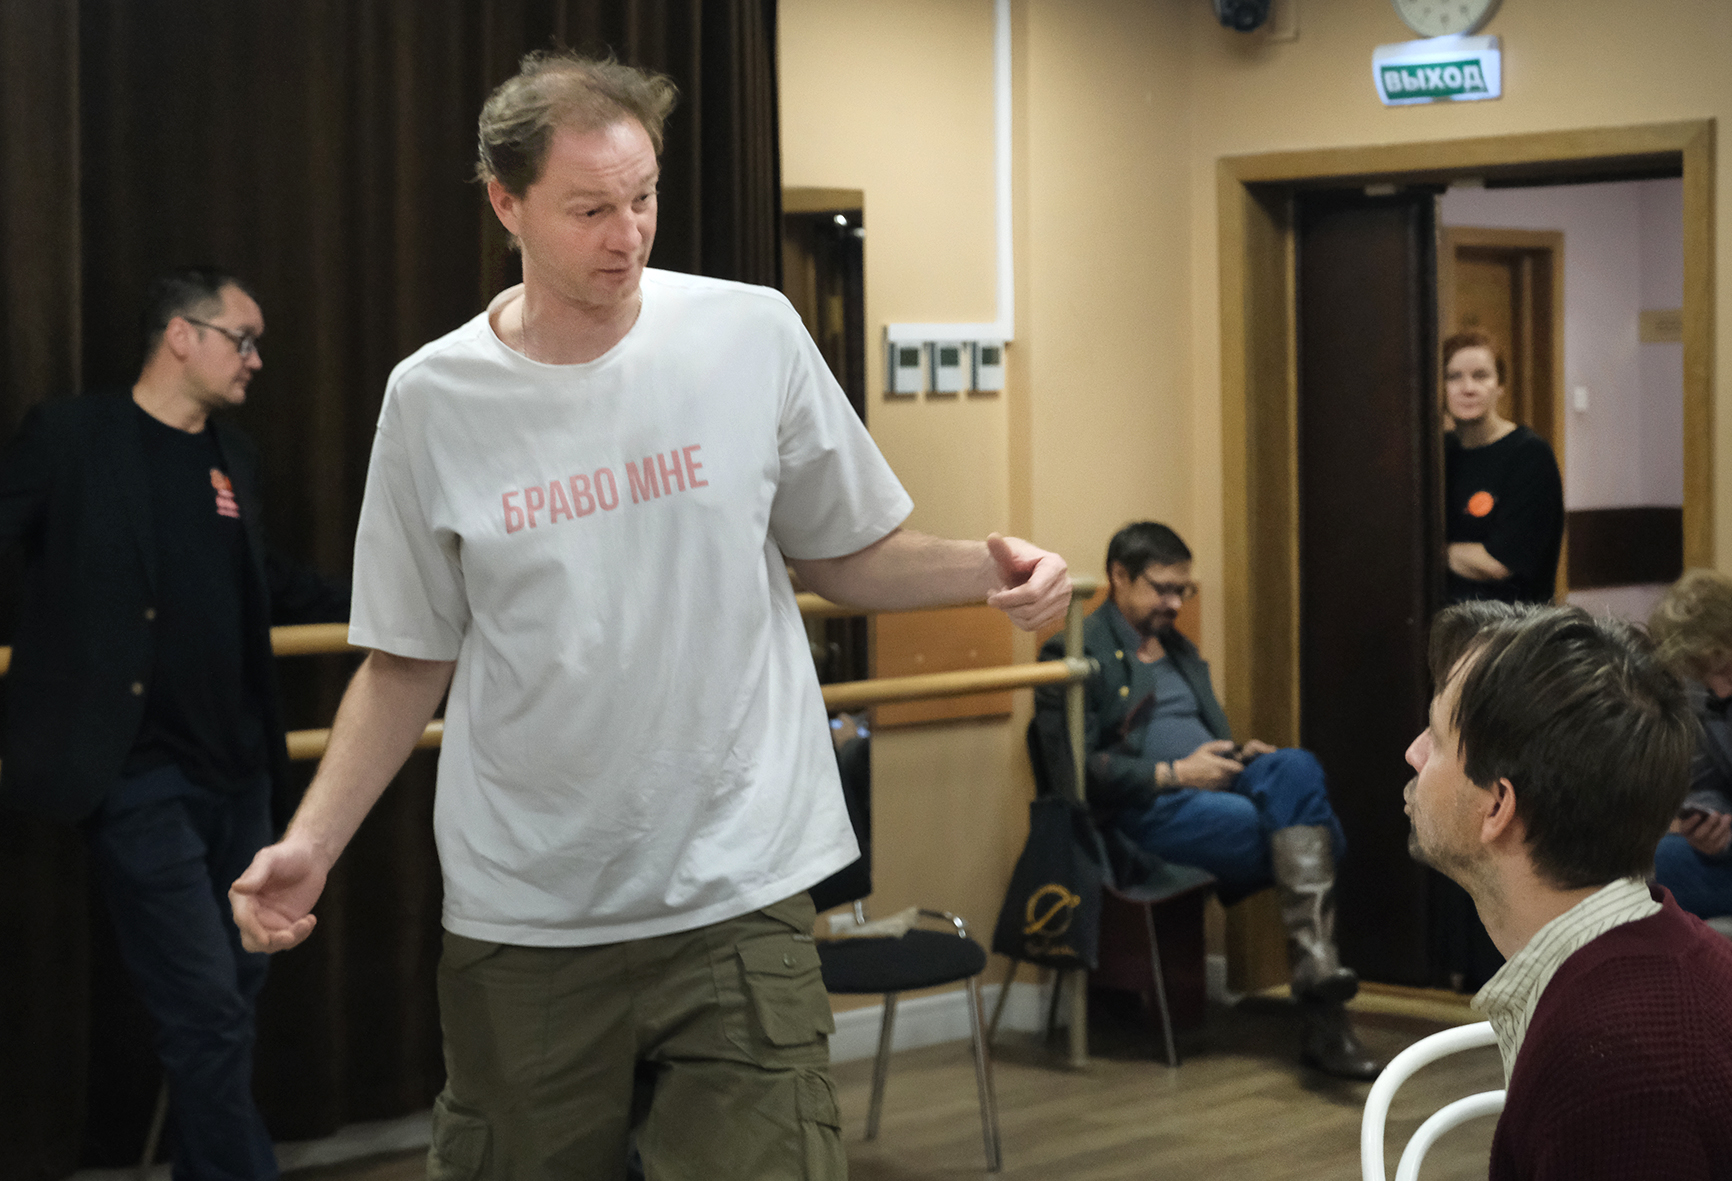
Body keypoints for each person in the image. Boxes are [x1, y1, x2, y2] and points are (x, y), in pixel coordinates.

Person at [227, 52, 1069, 1181]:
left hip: (739, 883)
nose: (627, 234)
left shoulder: (751, 333)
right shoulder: (433, 399)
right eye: (590, 209)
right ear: (506, 204)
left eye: (644, 197)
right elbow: (406, 658)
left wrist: (991, 568)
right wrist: (311, 845)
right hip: (531, 912)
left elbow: (842, 552)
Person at [0, 268, 348, 1180]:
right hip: (137, 777)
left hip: (239, 775)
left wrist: (386, 604)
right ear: (181, 336)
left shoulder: (234, 457)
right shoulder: (74, 438)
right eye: (243, 338)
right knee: (207, 1007)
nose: (256, 359)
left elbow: (263, 581)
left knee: (231, 997)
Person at [1033, 521, 1380, 1080]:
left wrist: (1238, 754)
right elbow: (1075, 772)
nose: (1175, 603)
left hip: (1212, 785)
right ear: (1119, 576)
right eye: (1162, 589)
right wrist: (1175, 773)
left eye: (1183, 591)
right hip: (1143, 812)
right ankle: (1324, 1013)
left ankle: (1317, 979)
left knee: (1295, 765)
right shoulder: (1074, 650)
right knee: (1320, 837)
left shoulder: (1179, 649)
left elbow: (1196, 733)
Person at [1404, 601, 1732, 1179]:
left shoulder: (1612, 1065)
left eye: (1436, 736)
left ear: (1497, 806)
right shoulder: (1677, 962)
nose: (1414, 752)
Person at [1442, 328, 1564, 606]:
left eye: (1480, 376)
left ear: (1500, 386)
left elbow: (1498, 563)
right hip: (1449, 622)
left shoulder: (1529, 454)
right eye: (1454, 377)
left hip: (1515, 624)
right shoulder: (1438, 454)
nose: (1468, 388)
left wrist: (1430, 553)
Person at [1648, 569, 1732, 922]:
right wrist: (1711, 826)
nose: (1721, 690)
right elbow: (1707, 783)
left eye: (1727, 670)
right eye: (1705, 678)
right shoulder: (1701, 692)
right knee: (1653, 862)